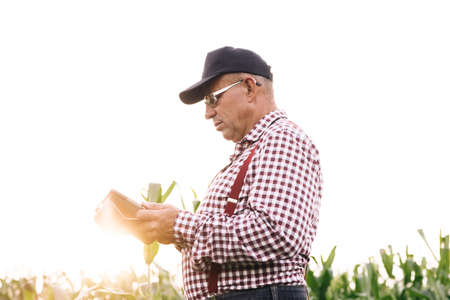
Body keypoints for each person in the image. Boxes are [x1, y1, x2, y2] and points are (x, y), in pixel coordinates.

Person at [132, 46, 323, 300]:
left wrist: (179, 225)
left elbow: (274, 233)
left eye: (213, 98)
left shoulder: (281, 139)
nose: (207, 113)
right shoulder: (253, 150)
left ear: (249, 88)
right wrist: (166, 228)